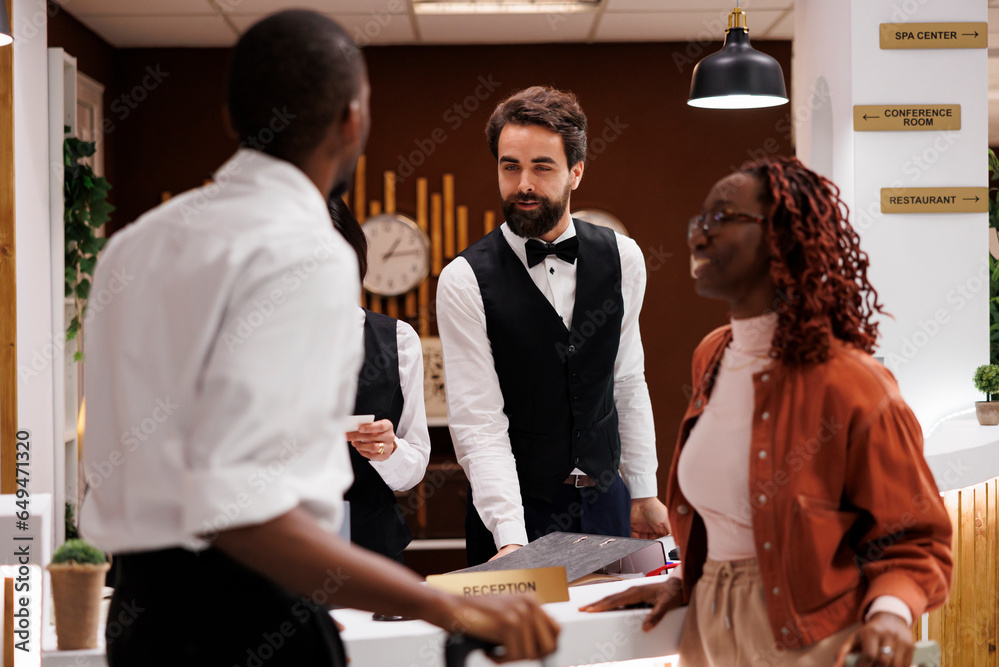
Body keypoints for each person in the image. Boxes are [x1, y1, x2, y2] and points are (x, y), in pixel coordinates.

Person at [80, 11, 558, 666]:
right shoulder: (308, 252)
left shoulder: (128, 249)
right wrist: (446, 603)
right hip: (251, 620)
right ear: (352, 120)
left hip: (137, 623)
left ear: (230, 120)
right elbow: (244, 516)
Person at [581, 156, 952, 667]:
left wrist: (889, 614)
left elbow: (915, 537)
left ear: (782, 239)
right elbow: (729, 521)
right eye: (699, 221)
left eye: (723, 218)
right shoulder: (713, 354)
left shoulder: (852, 382)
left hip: (808, 639)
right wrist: (689, 581)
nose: (699, 236)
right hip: (709, 624)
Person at [437, 86, 669, 567]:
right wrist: (510, 535)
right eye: (510, 166)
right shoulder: (463, 279)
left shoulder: (624, 257)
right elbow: (478, 421)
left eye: (542, 167)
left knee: (619, 637)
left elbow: (626, 377)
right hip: (515, 513)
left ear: (576, 172)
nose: (523, 183)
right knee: (522, 645)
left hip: (607, 503)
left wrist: (643, 489)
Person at [329, 197, 430, 562]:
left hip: (371, 548)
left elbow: (414, 466)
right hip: (281, 552)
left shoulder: (398, 340)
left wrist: (387, 451)